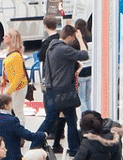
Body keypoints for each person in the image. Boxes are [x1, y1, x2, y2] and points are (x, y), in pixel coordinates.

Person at [35, 25, 88, 157]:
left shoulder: (52, 47)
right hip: (64, 92)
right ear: (70, 37)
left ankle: (35, 144)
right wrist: (81, 39)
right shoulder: (64, 49)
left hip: (53, 90)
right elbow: (85, 55)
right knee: (67, 120)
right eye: (73, 39)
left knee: (53, 119)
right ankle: (73, 149)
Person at [0, 94, 45, 160]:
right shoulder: (12, 120)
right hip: (11, 155)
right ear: (5, 106)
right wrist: (42, 134)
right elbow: (25, 134)